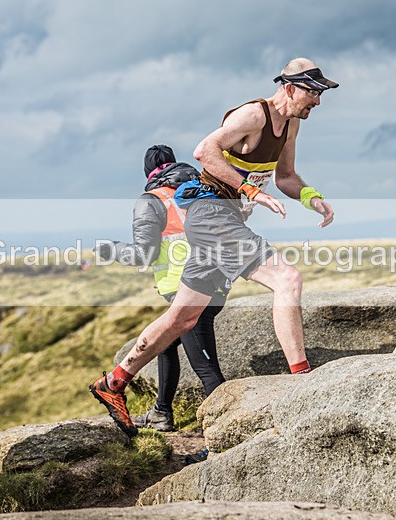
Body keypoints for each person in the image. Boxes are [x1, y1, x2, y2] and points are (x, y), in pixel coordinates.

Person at [90, 58, 337, 437]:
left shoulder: (291, 125)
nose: (317, 101)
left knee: (183, 318)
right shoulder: (254, 114)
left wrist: (311, 197)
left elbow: (285, 175)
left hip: (221, 222)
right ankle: (302, 381)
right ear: (289, 87)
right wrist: (250, 189)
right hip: (212, 213)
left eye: (320, 93)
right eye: (312, 92)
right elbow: (205, 151)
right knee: (287, 279)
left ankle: (114, 382)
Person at [94, 146, 227, 454]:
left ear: (148, 174)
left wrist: (110, 249)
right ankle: (161, 413)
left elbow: (144, 253)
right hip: (218, 280)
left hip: (188, 288)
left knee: (206, 369)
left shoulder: (152, 201)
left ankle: (224, 440)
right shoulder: (202, 189)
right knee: (166, 345)